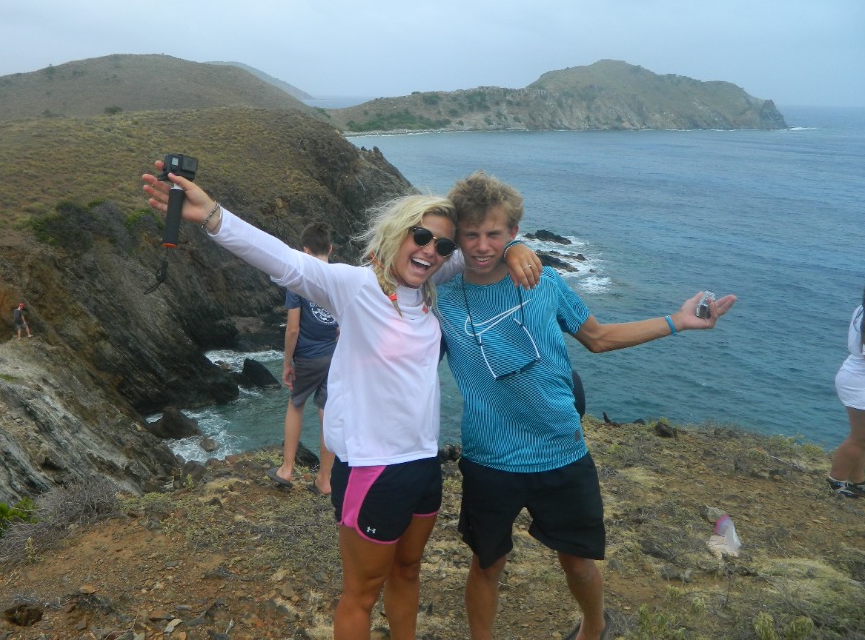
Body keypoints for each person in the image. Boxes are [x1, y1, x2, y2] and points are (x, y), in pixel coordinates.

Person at [143, 160, 541, 640]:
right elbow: (287, 262)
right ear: (396, 234)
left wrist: (514, 246)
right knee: (362, 592)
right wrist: (214, 217)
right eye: (420, 236)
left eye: (442, 245)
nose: (430, 250)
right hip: (371, 467)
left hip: (422, 462)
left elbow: (482, 251)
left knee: (408, 572)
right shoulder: (355, 286)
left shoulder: (429, 285)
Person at [435, 171, 737, 640]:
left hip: (561, 448)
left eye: (494, 234)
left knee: (578, 562)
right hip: (489, 458)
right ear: (456, 236)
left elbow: (598, 337)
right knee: (487, 563)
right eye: (470, 234)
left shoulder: (547, 282)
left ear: (514, 231)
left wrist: (676, 322)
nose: (481, 245)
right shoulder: (442, 299)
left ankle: (593, 628)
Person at [267, 222, 339, 495]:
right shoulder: (340, 278)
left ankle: (286, 469)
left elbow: (293, 329)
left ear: (305, 251)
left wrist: (287, 363)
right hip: (334, 356)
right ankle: (325, 480)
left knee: (296, 404)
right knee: (327, 412)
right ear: (330, 248)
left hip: (308, 357)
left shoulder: (298, 281)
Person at [827, 286, 865, 498]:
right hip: (859, 382)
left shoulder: (861, 308)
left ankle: (856, 481)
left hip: (854, 375)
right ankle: (836, 481)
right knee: (860, 437)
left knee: (861, 437)